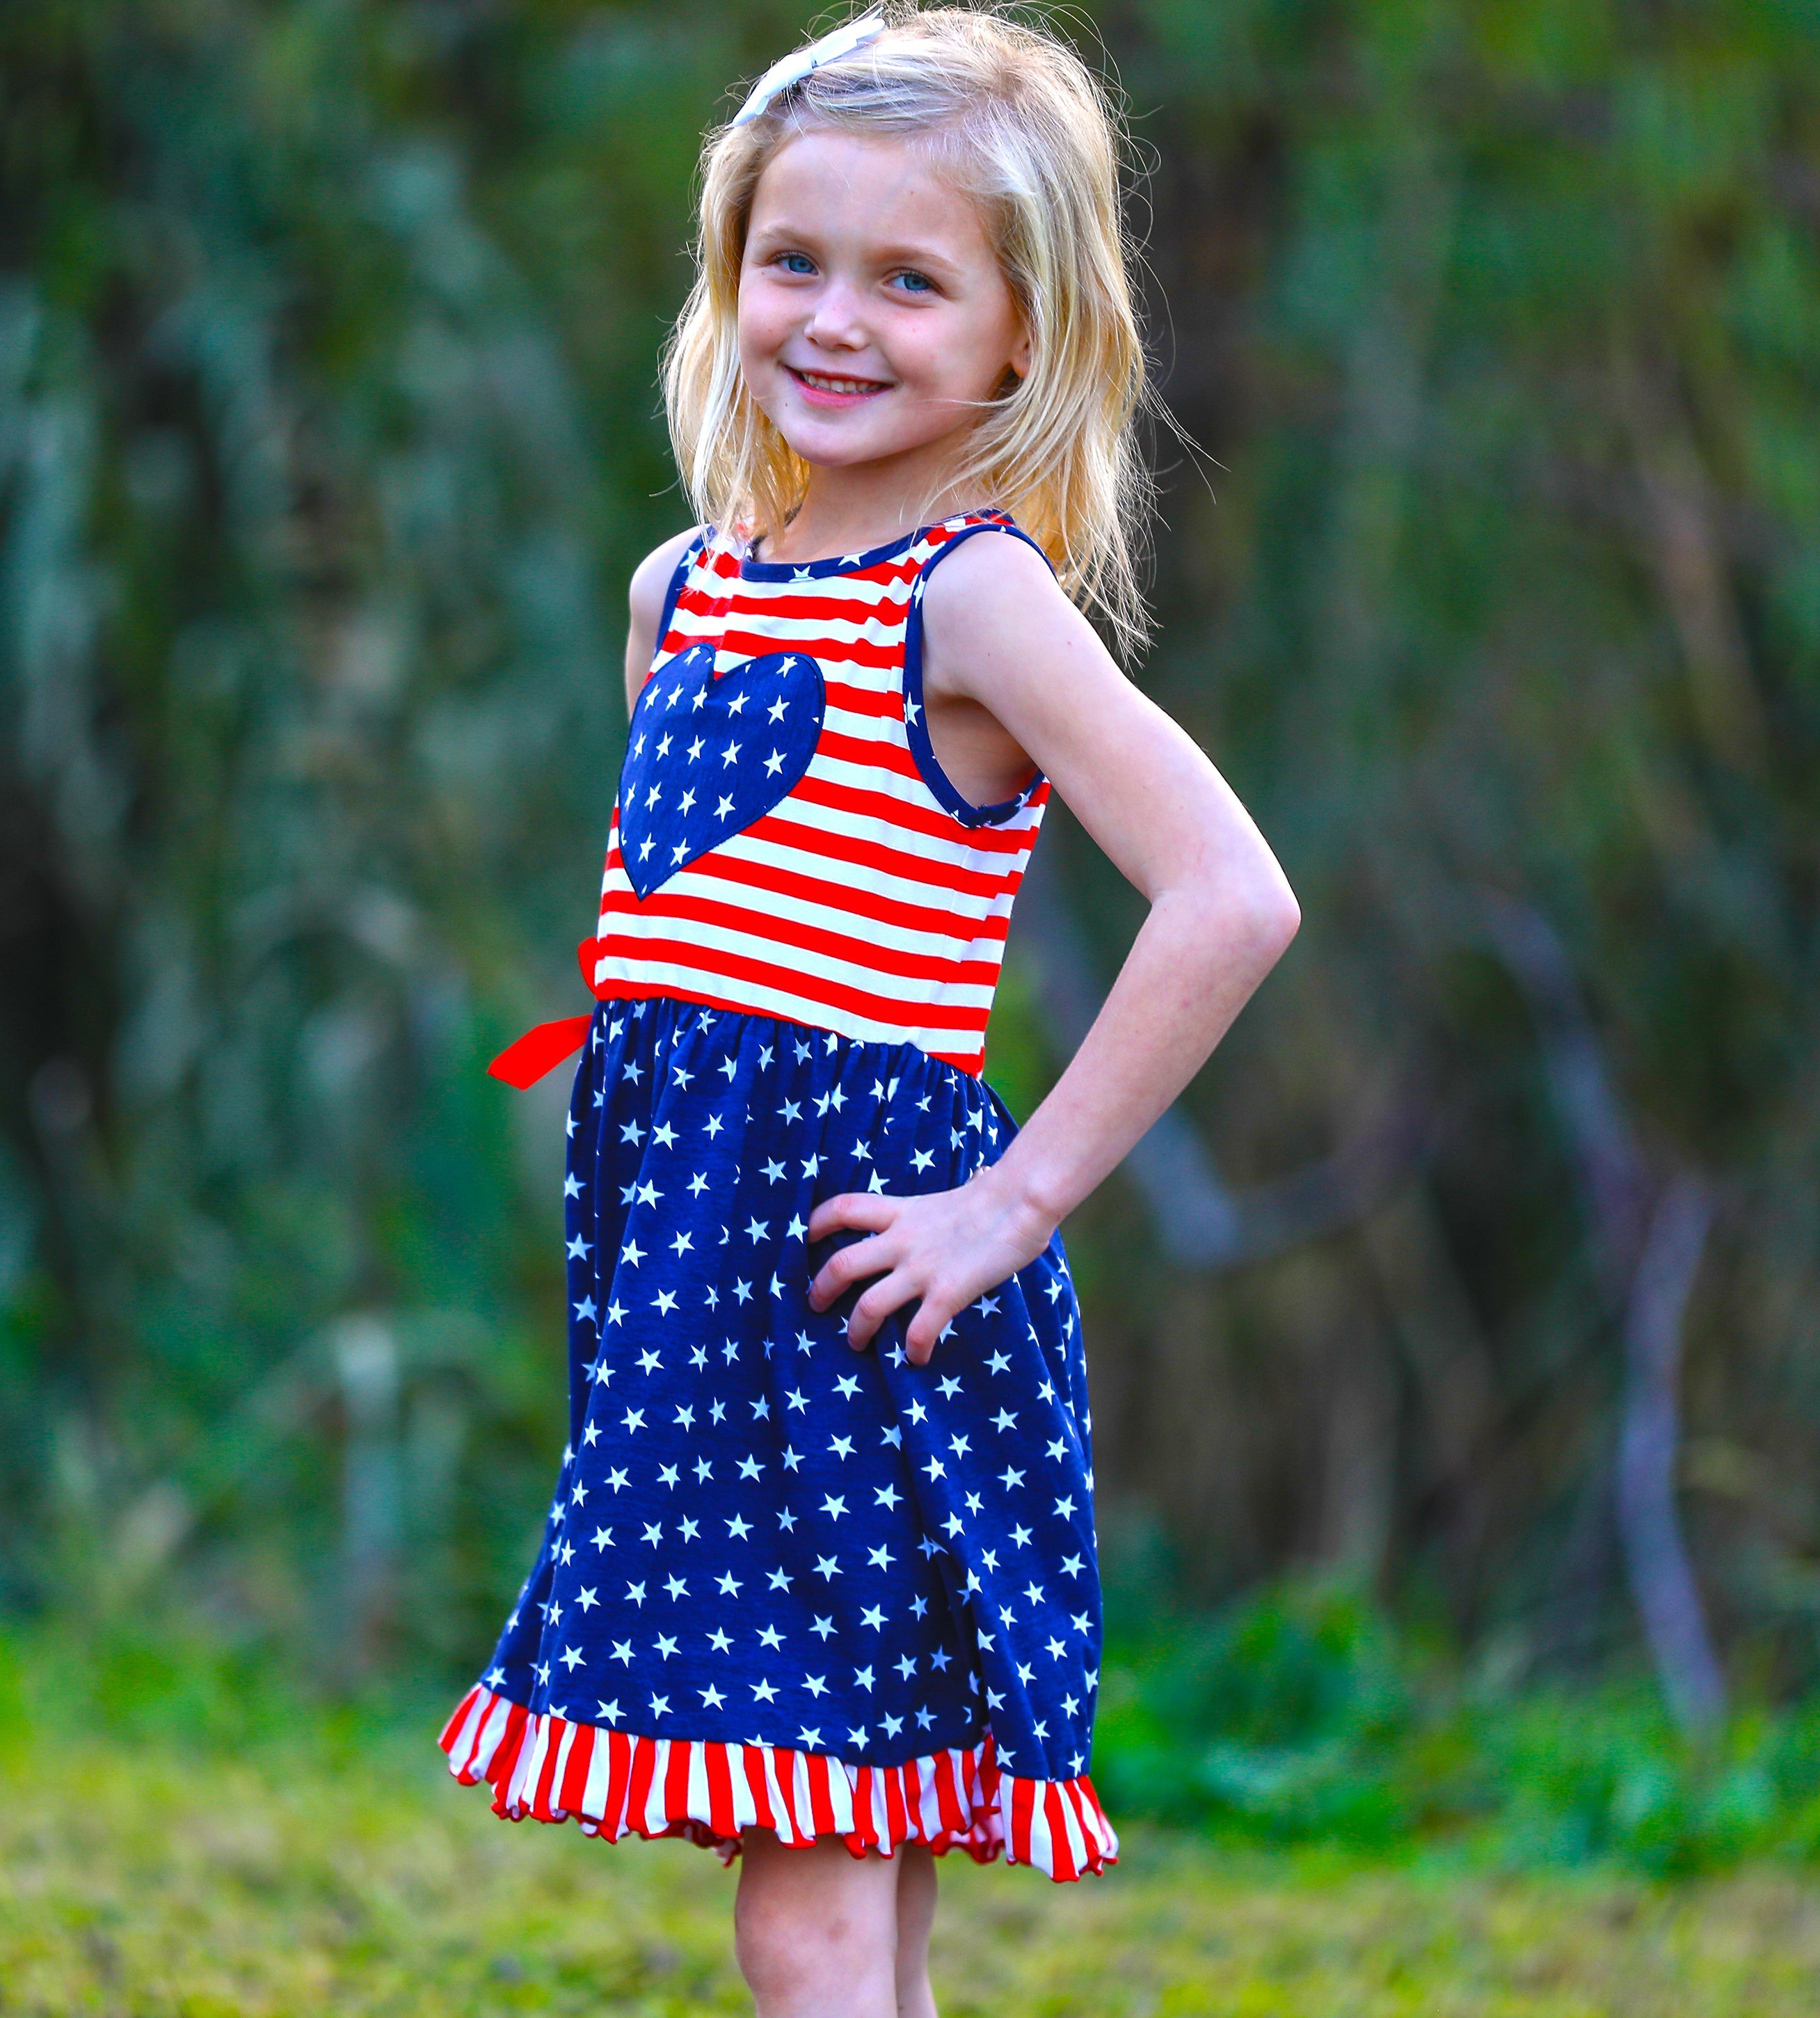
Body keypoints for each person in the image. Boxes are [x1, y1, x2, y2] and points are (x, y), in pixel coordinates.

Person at [440, 6, 1300, 2012]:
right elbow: (693, 966)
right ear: (726, 275)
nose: (833, 320)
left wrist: (1009, 1207)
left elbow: (1228, 893)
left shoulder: (969, 601)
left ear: (1020, 335)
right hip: (689, 1296)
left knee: (808, 1881)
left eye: (909, 279)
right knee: (846, 1877)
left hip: (857, 1300)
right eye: (790, 262)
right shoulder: (685, 593)